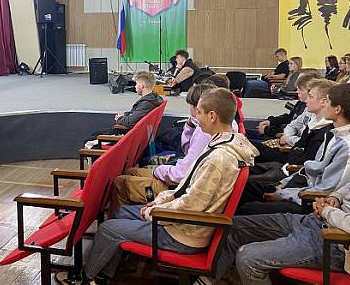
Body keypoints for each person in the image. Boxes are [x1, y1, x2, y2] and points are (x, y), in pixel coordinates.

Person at [58, 88, 258, 284]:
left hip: (184, 234)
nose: (196, 116)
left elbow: (192, 204)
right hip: (187, 224)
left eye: (199, 112)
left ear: (212, 116)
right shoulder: (224, 142)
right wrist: (160, 201)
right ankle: (104, 274)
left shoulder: (217, 159)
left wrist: (155, 211)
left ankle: (85, 279)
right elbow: (188, 188)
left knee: (107, 229)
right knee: (120, 213)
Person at [208, 98, 350, 285]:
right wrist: (335, 198)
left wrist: (328, 211)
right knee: (234, 227)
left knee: (248, 258)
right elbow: (349, 186)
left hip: (337, 243)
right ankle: (208, 280)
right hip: (318, 220)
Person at [237, 83, 350, 215]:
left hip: (308, 202)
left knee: (248, 208)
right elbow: (310, 171)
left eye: (327, 101)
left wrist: (284, 194)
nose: (324, 104)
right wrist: (284, 184)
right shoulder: (333, 135)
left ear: (337, 109)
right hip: (300, 188)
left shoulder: (349, 146)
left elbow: (328, 189)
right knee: (243, 186)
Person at [108, 83, 217, 215]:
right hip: (183, 181)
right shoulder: (210, 127)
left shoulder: (203, 133)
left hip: (175, 189)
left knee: (120, 183)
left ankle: (124, 220)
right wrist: (190, 125)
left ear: (197, 108)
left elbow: (180, 175)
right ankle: (133, 214)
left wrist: (158, 170)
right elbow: (187, 151)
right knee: (131, 172)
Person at [247, 79, 334, 184]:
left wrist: (288, 140)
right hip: (288, 161)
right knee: (246, 154)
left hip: (292, 170)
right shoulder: (313, 123)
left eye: (310, 97)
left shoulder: (325, 132)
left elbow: (308, 164)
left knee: (247, 181)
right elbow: (293, 128)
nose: (306, 100)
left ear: (323, 101)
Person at [84, 71, 164, 151]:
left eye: (136, 84)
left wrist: (120, 118)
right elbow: (137, 114)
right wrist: (125, 115)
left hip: (126, 136)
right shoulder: (154, 99)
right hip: (135, 135)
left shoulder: (146, 103)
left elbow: (129, 122)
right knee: (95, 134)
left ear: (141, 86)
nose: (135, 86)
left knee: (88, 141)